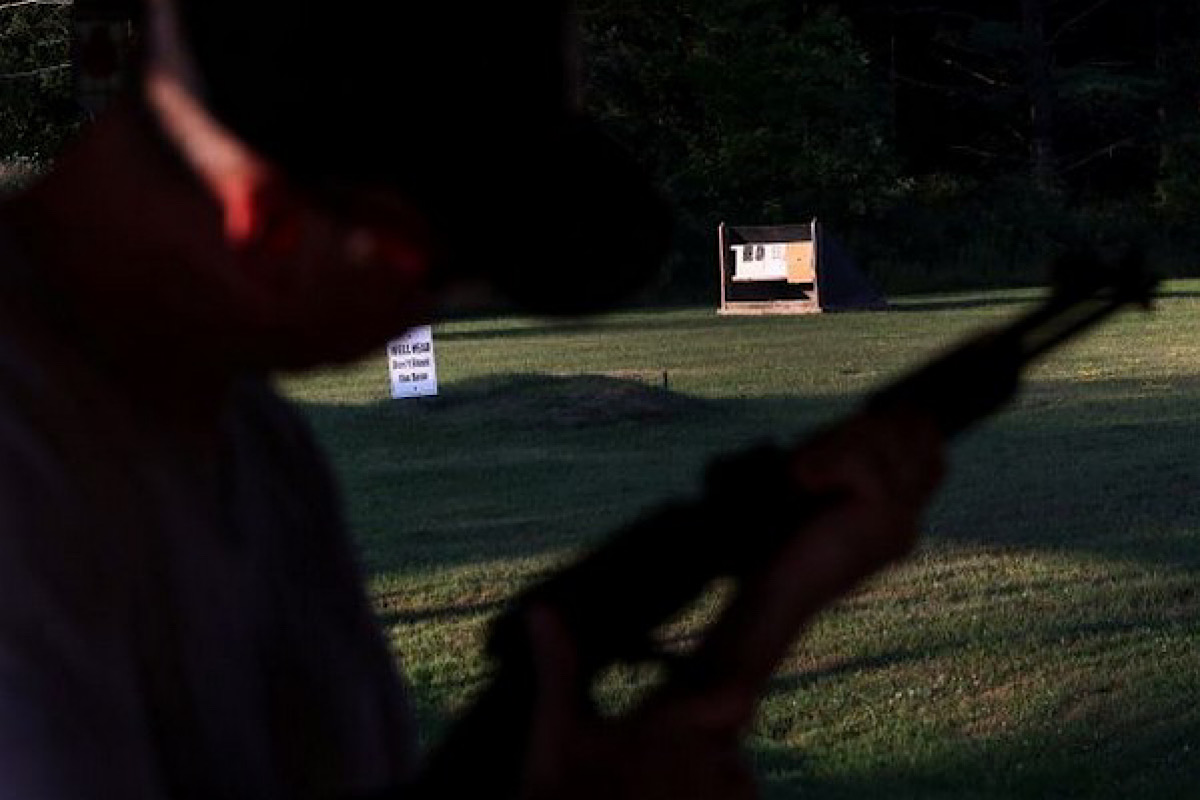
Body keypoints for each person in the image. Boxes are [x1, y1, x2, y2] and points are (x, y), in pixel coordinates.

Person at [0, 1, 944, 798]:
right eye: (442, 274)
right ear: (271, 222)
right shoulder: (36, 476)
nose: (430, 312)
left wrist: (758, 625)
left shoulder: (249, 439)